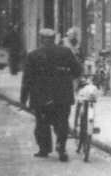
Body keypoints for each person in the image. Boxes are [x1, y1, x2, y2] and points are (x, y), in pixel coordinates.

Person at [20, 27, 82, 161]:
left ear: (41, 40)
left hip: (41, 96)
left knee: (42, 123)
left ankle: (44, 149)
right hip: (62, 95)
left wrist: (23, 99)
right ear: (54, 39)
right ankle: (61, 147)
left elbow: (27, 79)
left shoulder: (33, 55)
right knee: (62, 122)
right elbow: (77, 70)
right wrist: (67, 77)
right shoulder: (65, 52)